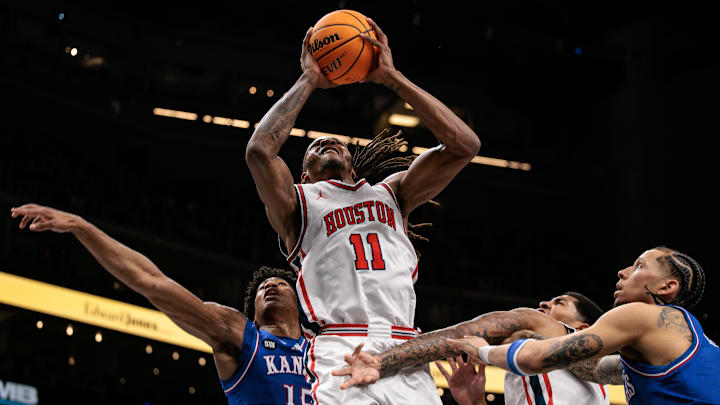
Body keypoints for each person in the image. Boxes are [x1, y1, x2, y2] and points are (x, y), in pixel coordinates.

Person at [244, 15, 481, 404]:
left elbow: (464, 145)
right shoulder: (298, 204)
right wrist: (309, 79)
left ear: (354, 166)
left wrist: (391, 77)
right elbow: (258, 151)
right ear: (302, 175)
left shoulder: (393, 193)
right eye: (315, 146)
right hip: (340, 344)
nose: (328, 142)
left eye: (336, 142)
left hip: (406, 348)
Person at [10, 203, 312, 405]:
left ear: (300, 303)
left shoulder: (326, 345)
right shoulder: (240, 335)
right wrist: (81, 227)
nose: (271, 286)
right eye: (262, 289)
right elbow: (150, 281)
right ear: (253, 314)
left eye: (281, 284)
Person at [445, 247, 719, 405]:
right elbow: (596, 369)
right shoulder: (680, 345)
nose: (623, 272)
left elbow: (535, 358)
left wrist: (481, 349)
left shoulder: (641, 314)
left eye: (638, 266)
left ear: (667, 286)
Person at [334, 292, 611, 405]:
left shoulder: (556, 331)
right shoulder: (530, 358)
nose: (544, 306)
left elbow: (462, 334)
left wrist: (383, 361)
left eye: (559, 302)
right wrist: (474, 401)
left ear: (584, 328)